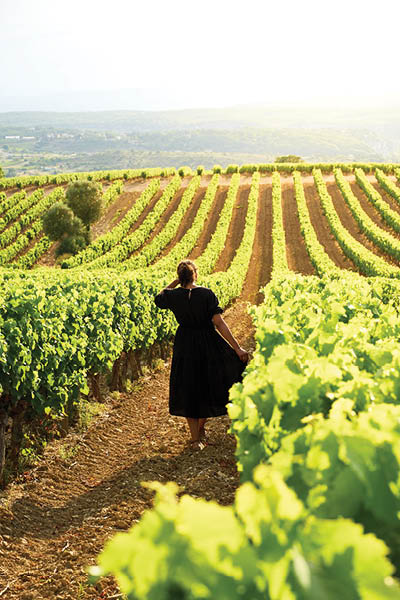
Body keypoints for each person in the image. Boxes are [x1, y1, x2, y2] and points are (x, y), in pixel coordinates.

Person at [154, 259, 248, 450]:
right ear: (195, 274)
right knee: (208, 383)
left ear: (180, 277)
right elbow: (219, 323)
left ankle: (196, 438)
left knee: (189, 386)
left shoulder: (173, 296)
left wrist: (174, 283)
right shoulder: (206, 294)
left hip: (184, 344)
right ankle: (200, 429)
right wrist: (237, 348)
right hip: (207, 342)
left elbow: (159, 297)